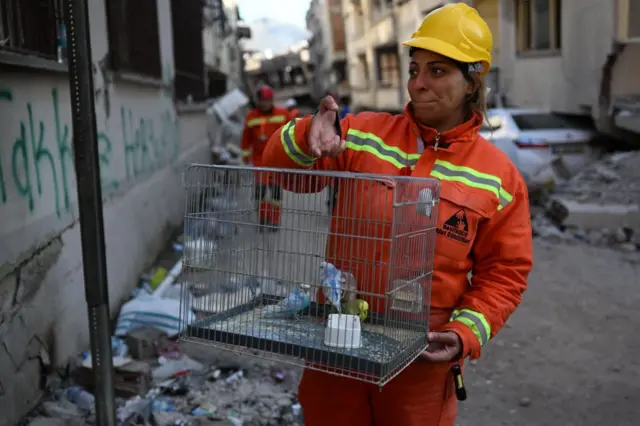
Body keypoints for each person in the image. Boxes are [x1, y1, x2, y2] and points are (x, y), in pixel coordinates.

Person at [261, 4, 533, 426]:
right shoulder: (363, 133)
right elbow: (282, 174)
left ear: (472, 81)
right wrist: (304, 135)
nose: (417, 84)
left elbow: (506, 274)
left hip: (419, 363)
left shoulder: (499, 177)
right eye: (413, 69)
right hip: (338, 344)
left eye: (437, 71)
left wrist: (464, 335)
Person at [240, 84, 289, 229]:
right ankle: (262, 220)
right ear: (258, 101)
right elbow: (246, 138)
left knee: (275, 193)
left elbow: (291, 133)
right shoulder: (251, 116)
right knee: (260, 192)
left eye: (267, 100)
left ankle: (274, 221)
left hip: (277, 161)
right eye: (262, 100)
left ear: (271, 100)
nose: (265, 104)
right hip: (259, 161)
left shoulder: (283, 114)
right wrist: (245, 154)